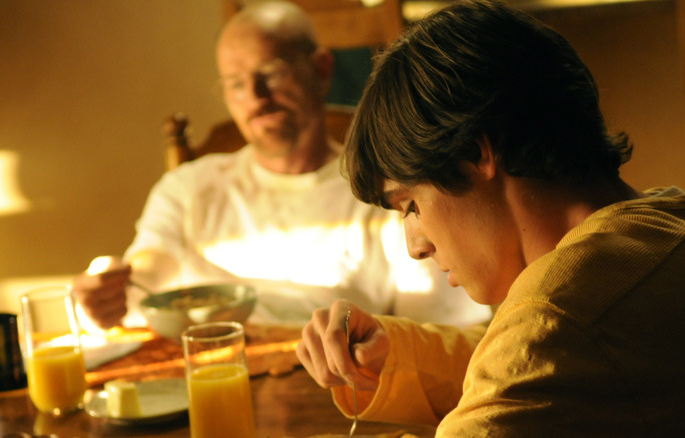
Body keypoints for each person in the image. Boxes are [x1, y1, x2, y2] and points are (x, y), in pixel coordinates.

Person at [296, 0, 685, 436]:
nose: (416, 246)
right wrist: (394, 353)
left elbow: (536, 351)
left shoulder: (558, 315)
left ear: (476, 154)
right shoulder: (663, 221)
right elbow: (524, 367)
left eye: (411, 206)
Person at [71, 1, 491, 330]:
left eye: (270, 72)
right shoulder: (187, 187)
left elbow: (437, 335)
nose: (255, 96)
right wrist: (104, 292)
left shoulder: (390, 195)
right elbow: (145, 273)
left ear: (321, 69)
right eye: (235, 83)